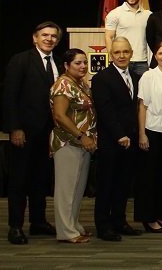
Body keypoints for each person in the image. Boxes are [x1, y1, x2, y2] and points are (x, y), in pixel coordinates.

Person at [3, 21, 61, 245]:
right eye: (45, 35)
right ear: (34, 38)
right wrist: (15, 128)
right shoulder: (21, 60)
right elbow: (10, 96)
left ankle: (38, 222)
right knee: (19, 180)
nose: (49, 39)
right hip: (24, 132)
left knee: (41, 179)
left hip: (48, 134)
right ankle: (15, 226)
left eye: (53, 36)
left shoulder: (57, 62)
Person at [92, 37, 142, 241]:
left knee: (123, 184)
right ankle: (103, 226)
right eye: (117, 53)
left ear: (131, 53)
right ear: (111, 55)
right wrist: (119, 134)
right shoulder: (102, 78)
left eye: (125, 52)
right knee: (106, 185)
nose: (121, 56)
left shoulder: (137, 77)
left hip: (130, 140)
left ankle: (119, 221)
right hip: (111, 141)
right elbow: (105, 111)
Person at [49, 49, 97, 243]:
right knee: (66, 189)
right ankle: (66, 232)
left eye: (84, 62)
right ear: (66, 65)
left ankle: (74, 225)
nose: (83, 66)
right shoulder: (63, 85)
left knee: (77, 188)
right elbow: (60, 116)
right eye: (78, 63)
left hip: (82, 144)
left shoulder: (80, 83)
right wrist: (81, 136)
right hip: (68, 142)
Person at [135, 42, 162, 233]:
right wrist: (142, 133)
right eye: (161, 53)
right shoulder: (148, 76)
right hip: (152, 129)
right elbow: (142, 107)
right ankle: (149, 218)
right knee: (149, 177)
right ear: (155, 56)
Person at [105, 0, 152, 79]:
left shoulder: (149, 15)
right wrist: (113, 58)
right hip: (122, 60)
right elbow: (109, 37)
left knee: (142, 93)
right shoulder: (115, 14)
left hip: (142, 62)